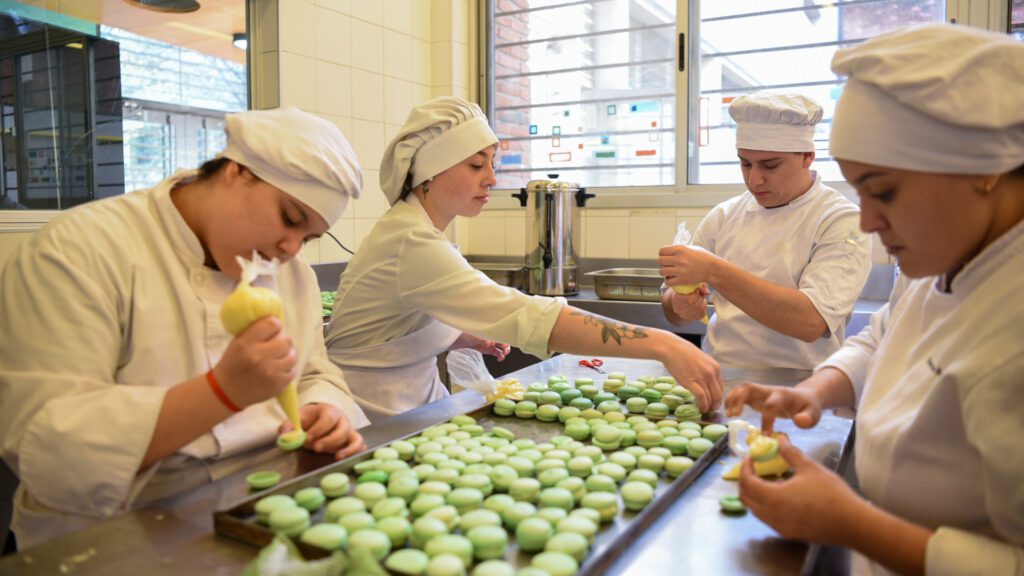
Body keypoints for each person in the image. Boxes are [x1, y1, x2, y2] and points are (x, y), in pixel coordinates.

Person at [726, 24, 1024, 575]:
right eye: (860, 190)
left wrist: (851, 523)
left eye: (883, 191)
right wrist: (813, 392)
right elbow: (882, 337)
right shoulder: (944, 253)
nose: (867, 221)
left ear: (983, 171)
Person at [0, 107, 370, 549]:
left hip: (263, 503)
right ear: (236, 171)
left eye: (308, 238)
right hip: (113, 533)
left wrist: (324, 410)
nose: (290, 249)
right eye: (290, 218)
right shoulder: (80, 250)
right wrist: (221, 392)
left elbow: (314, 373)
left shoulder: (292, 273)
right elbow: (50, 452)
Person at [325, 96, 723, 422]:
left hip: (413, 407)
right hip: (370, 415)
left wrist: (456, 334)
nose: (492, 178)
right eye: (476, 165)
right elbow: (531, 317)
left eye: (492, 164)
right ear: (431, 173)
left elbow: (389, 328)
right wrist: (664, 344)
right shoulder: (410, 240)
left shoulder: (415, 231)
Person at [659, 92, 872, 370]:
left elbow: (811, 322)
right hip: (722, 376)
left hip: (804, 384)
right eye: (745, 163)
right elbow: (671, 309)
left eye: (770, 165)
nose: (754, 179)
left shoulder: (840, 220)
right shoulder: (725, 216)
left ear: (807, 157)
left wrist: (714, 270)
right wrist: (679, 303)